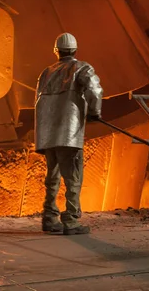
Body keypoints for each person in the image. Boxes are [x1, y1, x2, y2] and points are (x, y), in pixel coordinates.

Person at [34, 33, 103, 235]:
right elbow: (95, 90)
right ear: (75, 49)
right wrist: (94, 112)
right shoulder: (81, 68)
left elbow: (37, 103)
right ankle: (71, 221)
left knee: (52, 177)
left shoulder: (46, 73)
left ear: (56, 51)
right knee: (73, 178)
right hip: (68, 134)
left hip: (48, 136)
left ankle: (49, 217)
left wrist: (41, 137)